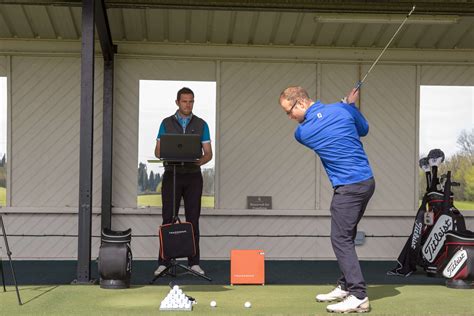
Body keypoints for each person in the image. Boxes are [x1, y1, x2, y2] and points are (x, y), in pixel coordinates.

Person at [279, 86, 375, 313]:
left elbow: (318, 122)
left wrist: (343, 106)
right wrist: (350, 106)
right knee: (348, 235)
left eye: (289, 111)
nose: (289, 117)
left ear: (301, 103)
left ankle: (358, 295)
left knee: (340, 239)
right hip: (366, 182)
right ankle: (345, 286)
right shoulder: (343, 110)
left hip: (348, 189)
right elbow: (364, 129)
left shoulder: (302, 133)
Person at [154, 87, 213, 276]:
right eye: (185, 101)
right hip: (172, 174)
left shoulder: (202, 124)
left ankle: (194, 262)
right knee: (168, 219)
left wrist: (198, 161)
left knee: (193, 220)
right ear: (177, 102)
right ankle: (164, 262)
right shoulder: (166, 123)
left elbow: (208, 153)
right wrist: (169, 153)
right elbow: (157, 151)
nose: (188, 104)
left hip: (193, 176)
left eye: (191, 101)